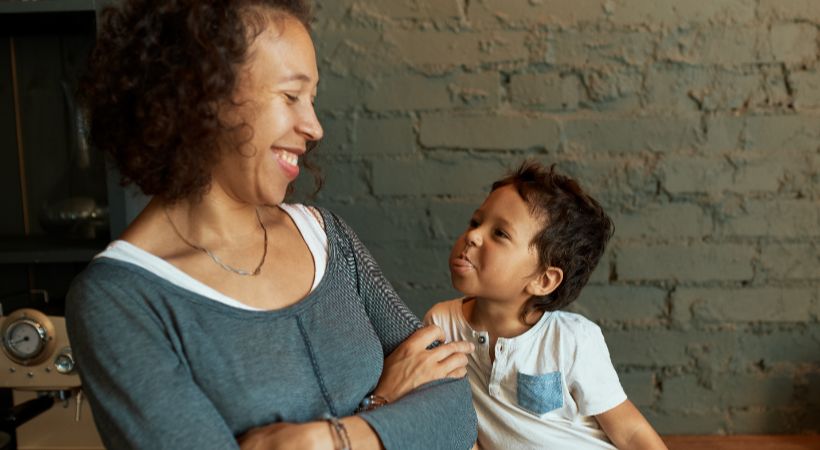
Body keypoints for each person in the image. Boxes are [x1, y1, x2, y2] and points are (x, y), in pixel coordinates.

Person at [65, 1, 477, 449]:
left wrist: (325, 440)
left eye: (311, 100)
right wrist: (389, 408)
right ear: (202, 96)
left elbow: (455, 411)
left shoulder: (327, 238)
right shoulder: (121, 299)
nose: (314, 127)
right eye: (291, 96)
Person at [425, 161, 667, 449]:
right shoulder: (441, 325)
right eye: (476, 222)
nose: (473, 236)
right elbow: (444, 416)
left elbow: (630, 432)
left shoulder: (572, 341)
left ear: (543, 280)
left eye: (500, 234)